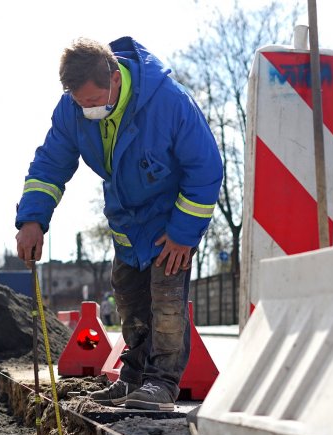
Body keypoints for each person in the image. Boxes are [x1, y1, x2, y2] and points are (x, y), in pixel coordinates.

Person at [15, 37, 223, 412]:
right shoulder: (72, 109)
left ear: (114, 79)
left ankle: (162, 385)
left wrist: (182, 234)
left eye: (92, 102)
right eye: (80, 103)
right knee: (128, 300)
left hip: (172, 221)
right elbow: (50, 166)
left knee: (166, 302)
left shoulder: (168, 102)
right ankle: (132, 380)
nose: (86, 110)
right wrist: (32, 220)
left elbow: (206, 169)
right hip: (127, 220)